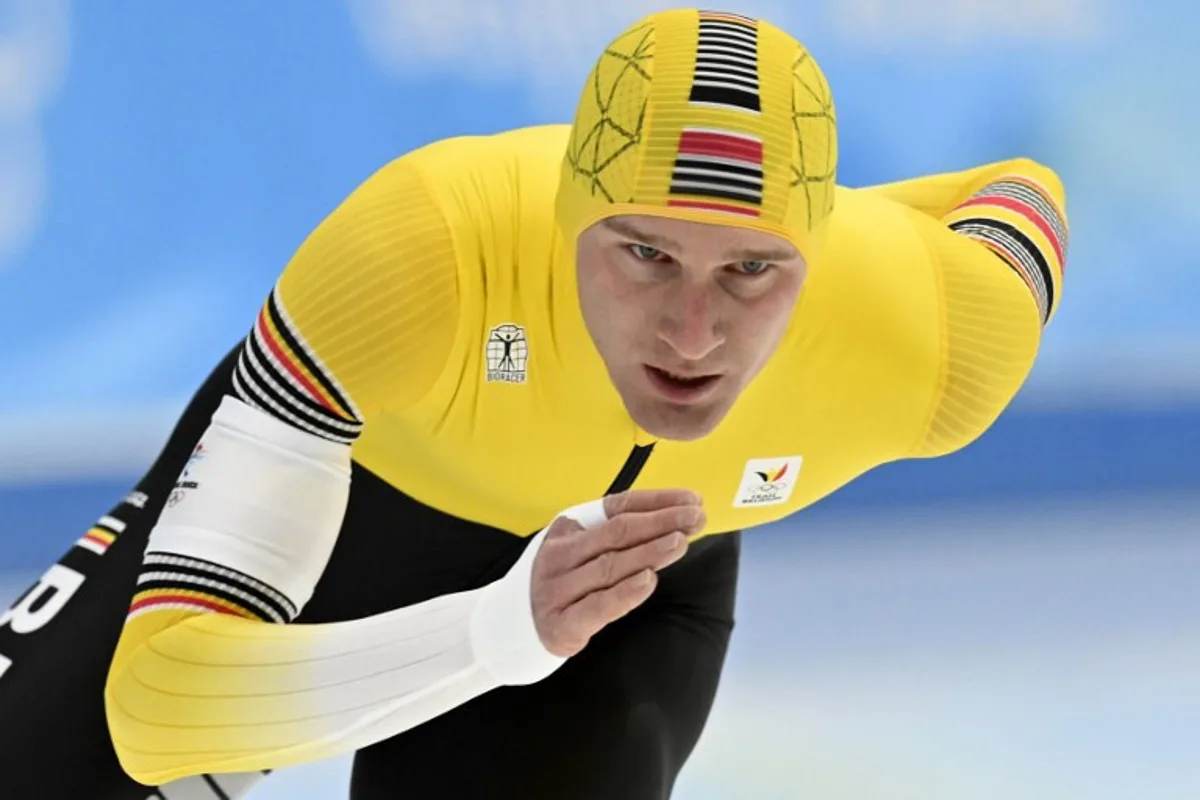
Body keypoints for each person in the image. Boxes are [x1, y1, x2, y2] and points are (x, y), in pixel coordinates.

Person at [0, 7, 1069, 799]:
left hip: (627, 574)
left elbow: (1025, 188)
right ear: (565, 224)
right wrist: (499, 629)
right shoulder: (420, 256)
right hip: (361, 500)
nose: (692, 334)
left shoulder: (931, 344)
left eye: (750, 270)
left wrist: (812, 233)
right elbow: (156, 704)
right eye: (644, 253)